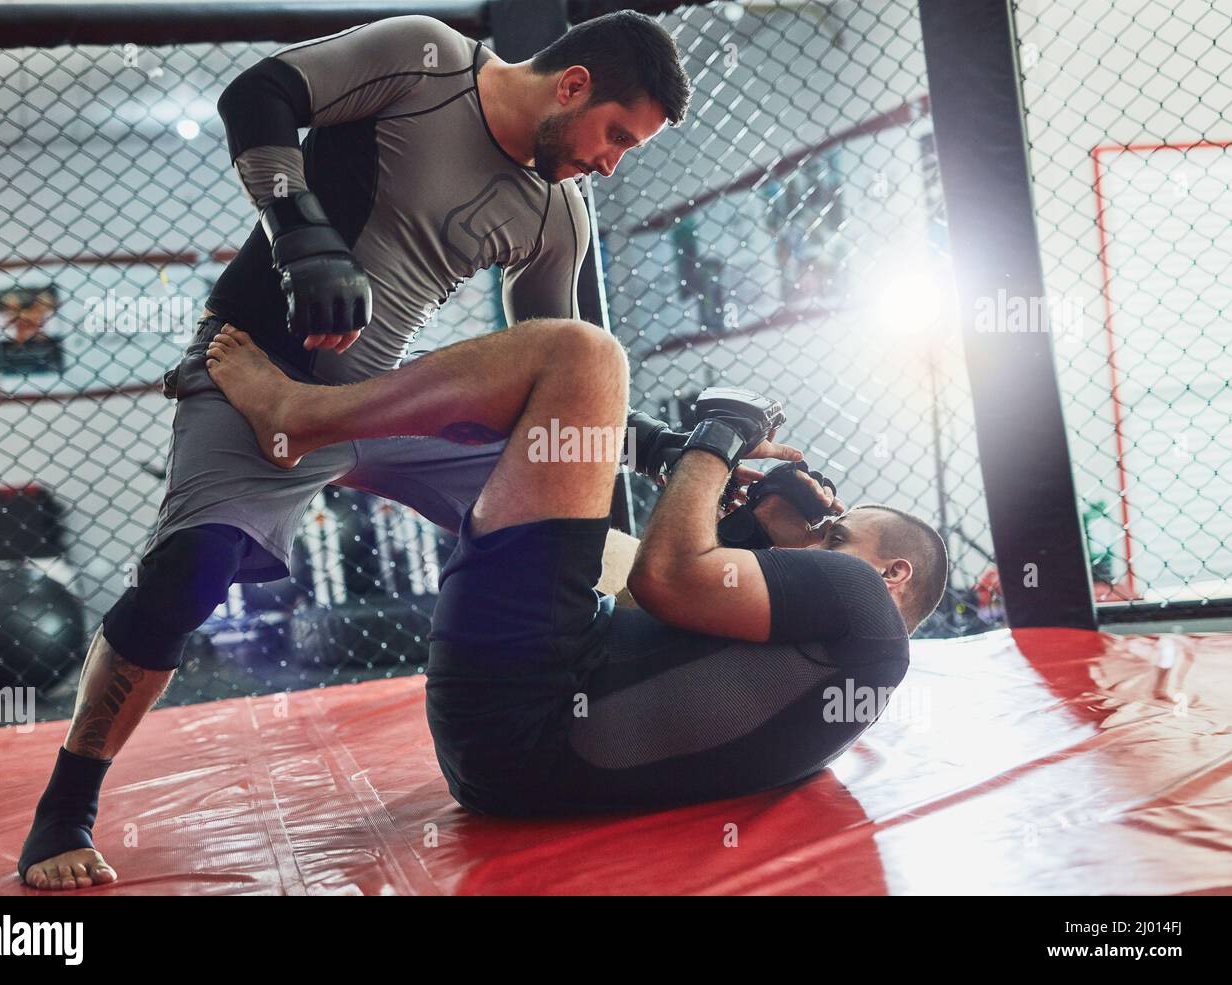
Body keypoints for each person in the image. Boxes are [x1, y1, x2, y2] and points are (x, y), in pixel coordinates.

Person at [18, 10, 691, 889]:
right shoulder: (428, 61)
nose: (612, 161)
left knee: (573, 508)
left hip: (384, 399)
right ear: (572, 86)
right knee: (188, 573)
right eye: (617, 135)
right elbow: (258, 93)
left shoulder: (560, 209)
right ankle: (63, 809)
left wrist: (659, 446)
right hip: (254, 370)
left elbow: (564, 369)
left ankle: (630, 693)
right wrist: (301, 234)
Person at [201, 316, 948, 814]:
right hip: (510, 752)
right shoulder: (838, 665)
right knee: (554, 443)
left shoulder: (862, 604)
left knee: (581, 359)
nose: (823, 533)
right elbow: (665, 619)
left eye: (838, 528)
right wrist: (753, 522)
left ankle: (302, 416)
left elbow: (663, 579)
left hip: (533, 702)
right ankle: (338, 455)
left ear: (894, 577)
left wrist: (718, 436)